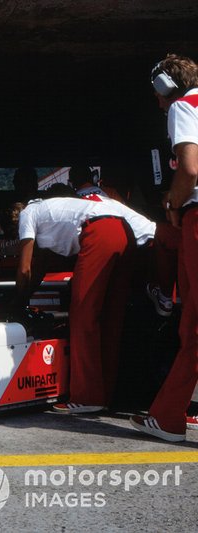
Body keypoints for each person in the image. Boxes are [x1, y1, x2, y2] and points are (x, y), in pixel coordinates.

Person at [13, 196, 156, 414]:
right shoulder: (50, 211)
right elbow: (38, 269)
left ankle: (86, 396)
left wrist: (16, 302)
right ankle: (105, 394)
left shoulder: (27, 214)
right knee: (110, 319)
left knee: (82, 316)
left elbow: (25, 268)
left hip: (99, 232)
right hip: (124, 232)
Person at [130, 54, 198, 442]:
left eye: (158, 94)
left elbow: (188, 169)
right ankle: (170, 412)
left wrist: (173, 202)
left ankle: (170, 417)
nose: (158, 103)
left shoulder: (183, 107)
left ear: (165, 88)